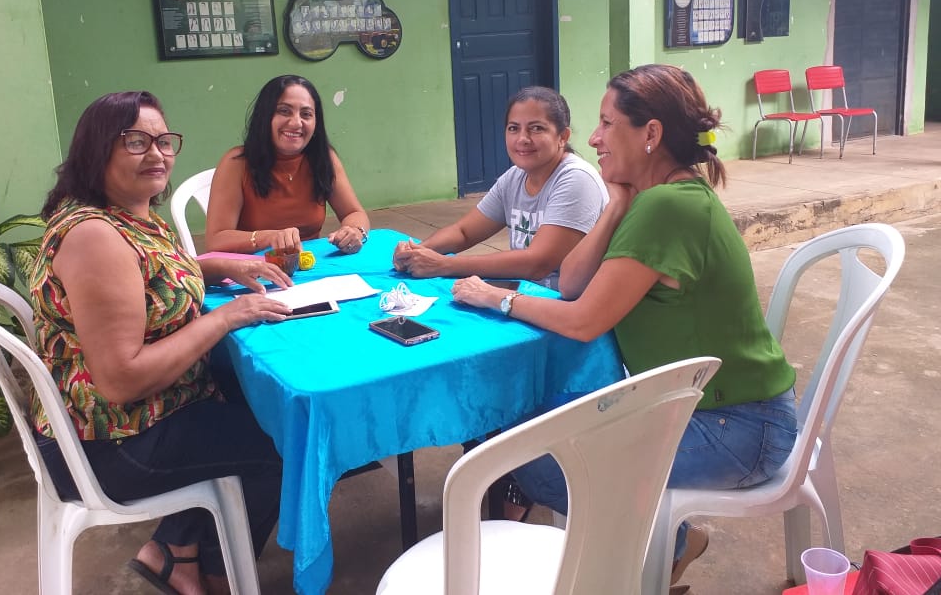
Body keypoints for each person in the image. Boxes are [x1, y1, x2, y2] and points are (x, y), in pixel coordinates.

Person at [451, 64, 798, 593]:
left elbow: (583, 319)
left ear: (651, 135)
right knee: (535, 426)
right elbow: (570, 282)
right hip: (705, 411)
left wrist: (493, 296)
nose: (592, 139)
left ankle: (650, 554)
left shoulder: (668, 207)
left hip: (737, 429)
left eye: (606, 123)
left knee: (537, 462)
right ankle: (657, 545)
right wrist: (614, 205)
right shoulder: (653, 199)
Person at [31, 91, 291, 595]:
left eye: (163, 141)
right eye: (135, 142)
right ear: (97, 151)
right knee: (282, 441)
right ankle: (218, 573)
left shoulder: (125, 215)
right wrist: (229, 315)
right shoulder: (95, 236)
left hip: (136, 418)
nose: (157, 154)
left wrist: (222, 266)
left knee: (253, 392)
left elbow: (149, 278)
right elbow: (122, 379)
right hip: (112, 445)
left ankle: (175, 548)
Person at [393, 86, 608, 290]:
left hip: (564, 304)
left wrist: (444, 265)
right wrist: (419, 251)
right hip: (524, 294)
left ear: (563, 137)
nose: (523, 139)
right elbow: (464, 232)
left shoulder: (576, 179)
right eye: (514, 128)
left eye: (537, 128)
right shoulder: (514, 177)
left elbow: (537, 263)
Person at [205, 74, 370, 255]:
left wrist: (354, 231)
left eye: (306, 114)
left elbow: (354, 213)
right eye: (284, 111)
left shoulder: (323, 158)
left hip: (310, 267)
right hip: (252, 271)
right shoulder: (237, 163)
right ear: (265, 116)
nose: (296, 122)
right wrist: (270, 238)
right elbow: (216, 240)